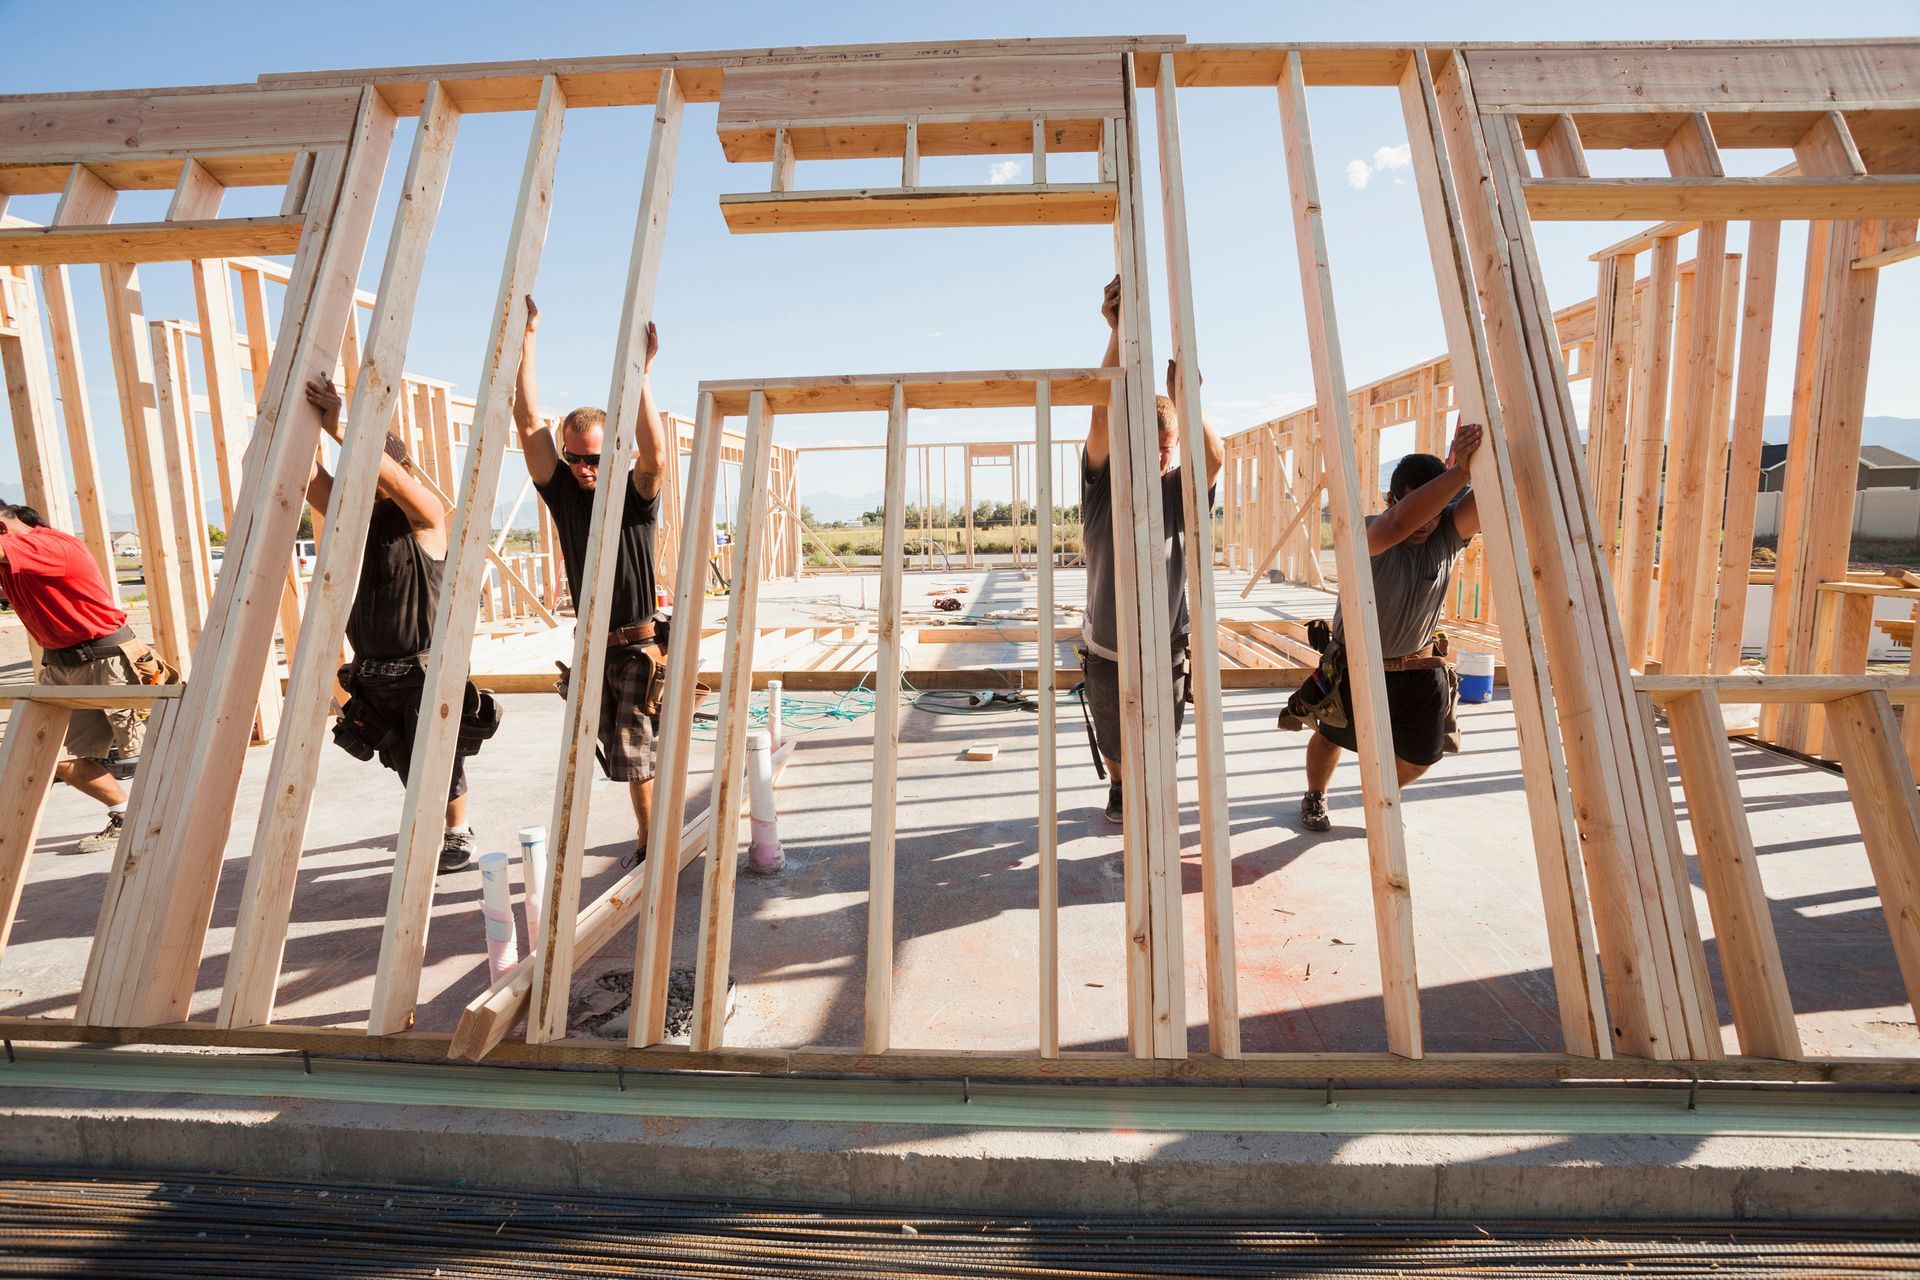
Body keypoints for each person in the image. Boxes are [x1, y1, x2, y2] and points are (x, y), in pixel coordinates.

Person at [304, 375, 499, 874]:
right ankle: (436, 825)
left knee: (440, 764)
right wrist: (296, 421)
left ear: (401, 470)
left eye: (373, 471)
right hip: (374, 673)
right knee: (407, 765)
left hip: (424, 671)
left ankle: (456, 831)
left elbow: (393, 483)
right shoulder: (354, 518)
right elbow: (306, 479)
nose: (365, 482)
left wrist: (338, 426)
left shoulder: (426, 518)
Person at [512, 296, 671, 861]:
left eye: (597, 459)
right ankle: (650, 835)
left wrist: (642, 378)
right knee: (610, 750)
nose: (585, 469)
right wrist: (528, 337)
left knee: (634, 753)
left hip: (636, 645)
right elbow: (528, 423)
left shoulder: (633, 496)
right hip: (592, 647)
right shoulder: (563, 495)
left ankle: (652, 842)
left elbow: (654, 456)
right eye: (576, 458)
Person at [1080, 273, 1224, 823]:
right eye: (1150, 447)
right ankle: (1118, 783)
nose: (1161, 459)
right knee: (1116, 746)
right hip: (1109, 650)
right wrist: (1117, 333)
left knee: (1161, 745)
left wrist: (1188, 398)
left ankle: (1149, 793)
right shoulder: (1103, 487)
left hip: (1165, 649)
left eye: (1168, 448)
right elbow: (1099, 414)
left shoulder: (1180, 492)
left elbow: (1213, 459)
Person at [1290, 423, 1483, 833]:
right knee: (1331, 737)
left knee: (1423, 756)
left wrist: (1480, 455)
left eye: (1435, 512)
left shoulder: (1447, 533)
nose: (1426, 521)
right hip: (1354, 666)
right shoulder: (1369, 532)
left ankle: (1377, 795)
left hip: (1417, 668)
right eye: (1416, 507)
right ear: (1390, 499)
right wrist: (1459, 473)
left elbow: (1488, 500)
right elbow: (1398, 525)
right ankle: (1314, 795)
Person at [0, 503, 169, 853]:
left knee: (146, 751)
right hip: (60, 667)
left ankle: (175, 819)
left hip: (109, 659)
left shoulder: (50, 546)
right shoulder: (12, 561)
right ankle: (125, 813)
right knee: (50, 753)